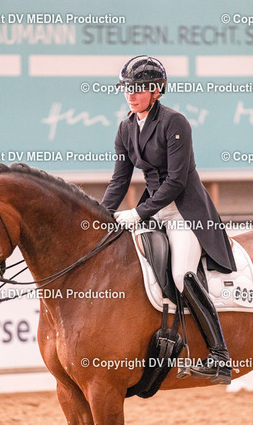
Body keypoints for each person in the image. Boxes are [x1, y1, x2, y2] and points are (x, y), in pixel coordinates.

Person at [101, 55, 236, 384]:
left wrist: (137, 213)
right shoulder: (125, 128)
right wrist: (100, 217)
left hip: (184, 212)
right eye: (127, 89)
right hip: (154, 211)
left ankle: (219, 355)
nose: (131, 95)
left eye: (138, 89)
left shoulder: (175, 123)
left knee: (181, 274)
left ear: (156, 91)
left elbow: (176, 181)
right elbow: (119, 181)